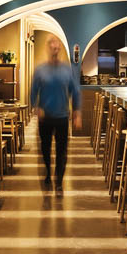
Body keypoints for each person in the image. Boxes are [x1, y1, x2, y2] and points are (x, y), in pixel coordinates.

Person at [30, 36, 82, 192]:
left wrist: (77, 112)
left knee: (62, 149)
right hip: (45, 117)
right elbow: (33, 90)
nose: (55, 48)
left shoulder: (68, 69)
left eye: (57, 46)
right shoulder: (40, 70)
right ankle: (47, 171)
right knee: (45, 148)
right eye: (52, 46)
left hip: (62, 116)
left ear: (59, 49)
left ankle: (59, 179)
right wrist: (36, 106)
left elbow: (75, 91)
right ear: (48, 48)